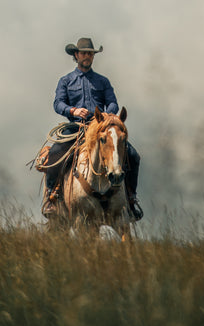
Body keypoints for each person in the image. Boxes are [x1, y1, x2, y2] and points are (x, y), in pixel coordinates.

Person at [41, 37, 143, 220]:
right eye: (83, 53)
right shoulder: (66, 81)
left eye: (90, 53)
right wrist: (73, 110)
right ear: (76, 55)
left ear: (93, 56)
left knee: (133, 156)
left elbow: (112, 102)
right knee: (55, 153)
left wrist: (106, 114)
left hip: (100, 128)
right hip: (76, 127)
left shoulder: (103, 81)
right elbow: (58, 103)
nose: (87, 56)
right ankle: (52, 196)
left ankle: (131, 198)